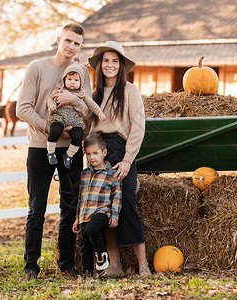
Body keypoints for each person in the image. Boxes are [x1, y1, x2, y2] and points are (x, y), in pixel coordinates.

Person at [16, 23, 92, 281]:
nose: (72, 47)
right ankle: (31, 266)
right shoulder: (37, 67)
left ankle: (66, 264)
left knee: (70, 208)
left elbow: (89, 111)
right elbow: (22, 108)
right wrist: (50, 128)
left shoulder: (82, 71)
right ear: (59, 39)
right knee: (36, 207)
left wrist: (75, 102)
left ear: (81, 46)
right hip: (40, 147)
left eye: (77, 44)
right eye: (68, 41)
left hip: (71, 150)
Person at [87, 41, 151, 277]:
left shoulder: (130, 91)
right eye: (106, 61)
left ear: (121, 65)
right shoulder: (94, 96)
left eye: (115, 61)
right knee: (104, 208)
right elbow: (89, 127)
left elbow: (138, 127)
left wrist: (126, 160)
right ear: (100, 65)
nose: (110, 65)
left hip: (121, 150)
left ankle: (143, 263)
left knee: (126, 205)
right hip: (100, 152)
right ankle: (115, 265)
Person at [72, 133, 122, 276]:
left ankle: (101, 253)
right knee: (84, 243)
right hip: (85, 213)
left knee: (92, 229)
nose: (91, 157)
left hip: (101, 211)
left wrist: (115, 216)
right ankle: (88, 272)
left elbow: (117, 197)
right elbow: (80, 198)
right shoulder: (84, 174)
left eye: (95, 153)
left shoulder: (112, 174)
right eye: (88, 154)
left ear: (104, 152)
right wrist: (77, 218)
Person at [47, 59, 106, 169]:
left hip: (74, 120)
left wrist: (100, 113)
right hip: (59, 116)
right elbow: (50, 99)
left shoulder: (82, 94)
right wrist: (51, 105)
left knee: (79, 135)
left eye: (76, 80)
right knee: (55, 129)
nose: (72, 82)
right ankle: (51, 152)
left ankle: (69, 155)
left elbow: (91, 104)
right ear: (64, 80)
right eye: (69, 79)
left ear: (81, 83)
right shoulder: (59, 89)